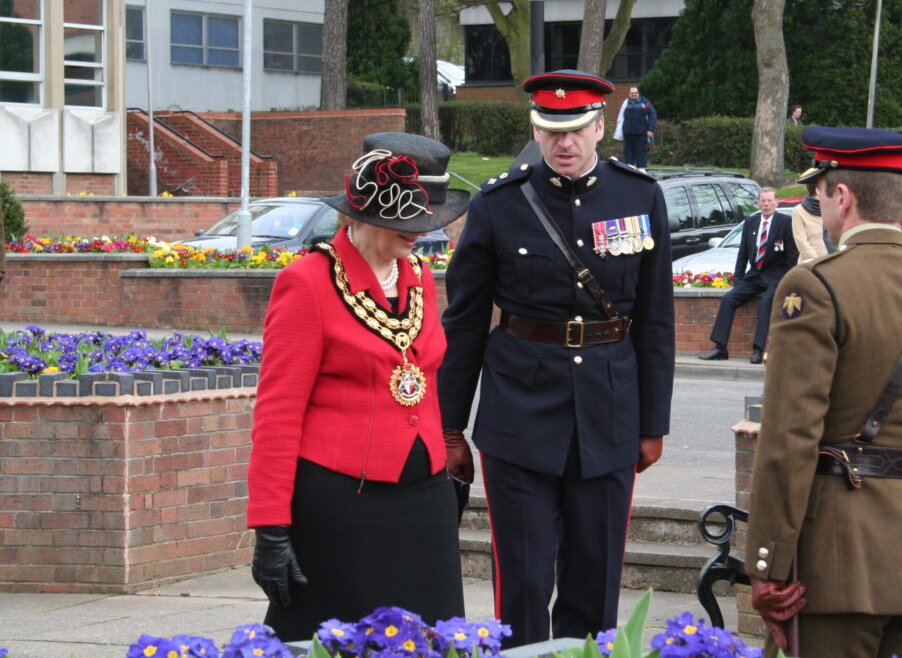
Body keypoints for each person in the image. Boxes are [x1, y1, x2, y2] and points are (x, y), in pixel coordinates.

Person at [438, 69, 675, 647]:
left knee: (595, 575)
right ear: (535, 130)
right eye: (550, 132)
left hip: (609, 408)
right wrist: (448, 426)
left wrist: (652, 424)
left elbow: (655, 322)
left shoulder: (638, 196)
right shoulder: (498, 204)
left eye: (575, 131)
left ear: (600, 128)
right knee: (521, 574)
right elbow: (465, 323)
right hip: (518, 408)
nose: (563, 144)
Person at [745, 126, 902, 658]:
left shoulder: (815, 285)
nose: (819, 205)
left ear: (843, 196)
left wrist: (766, 564)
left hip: (834, 569)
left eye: (820, 194)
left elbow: (789, 441)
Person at [246, 132, 470, 642]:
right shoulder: (306, 283)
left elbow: (425, 380)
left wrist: (448, 451)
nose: (423, 233)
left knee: (429, 644)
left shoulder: (416, 275)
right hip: (342, 507)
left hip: (424, 503)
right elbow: (277, 414)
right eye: (412, 221)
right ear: (368, 213)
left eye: (430, 220)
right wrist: (270, 526)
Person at [698, 188, 798, 364]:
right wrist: (738, 281)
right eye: (763, 201)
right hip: (754, 276)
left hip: (776, 277)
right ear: (758, 203)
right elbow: (742, 255)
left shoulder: (786, 223)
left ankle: (758, 350)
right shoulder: (750, 222)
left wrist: (788, 281)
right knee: (729, 299)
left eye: (769, 201)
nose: (766, 204)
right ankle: (720, 348)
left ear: (776, 203)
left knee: (765, 303)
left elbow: (792, 256)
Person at [615, 86, 657, 169]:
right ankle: (629, 176)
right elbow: (620, 117)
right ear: (629, 94)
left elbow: (652, 114)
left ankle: (642, 175)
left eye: (636, 93)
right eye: (632, 93)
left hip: (641, 135)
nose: (634, 94)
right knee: (628, 157)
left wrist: (651, 129)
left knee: (641, 157)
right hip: (628, 135)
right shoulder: (626, 103)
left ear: (638, 94)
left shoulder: (644, 102)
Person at [790, 184, 830, 263]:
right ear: (818, 190)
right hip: (810, 264)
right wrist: (818, 261)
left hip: (833, 262)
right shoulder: (799, 211)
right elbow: (801, 242)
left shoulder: (831, 207)